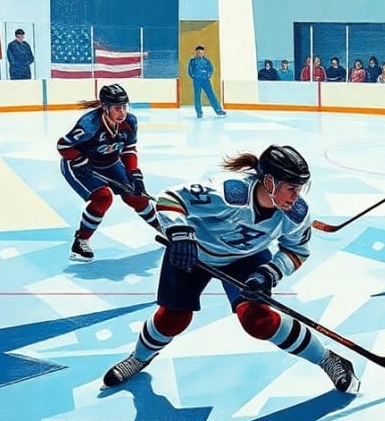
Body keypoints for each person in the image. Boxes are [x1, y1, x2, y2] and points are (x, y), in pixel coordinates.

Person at [102, 144, 360, 394]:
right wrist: (179, 232)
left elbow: (296, 251)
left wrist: (270, 272)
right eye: (291, 188)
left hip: (246, 258)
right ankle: (139, 358)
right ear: (269, 182)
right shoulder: (229, 191)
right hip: (193, 251)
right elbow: (170, 198)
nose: (296, 196)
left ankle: (327, 358)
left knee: (258, 321)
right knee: (173, 318)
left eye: (300, 189)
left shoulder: (296, 213)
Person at [57, 84, 161, 262]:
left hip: (110, 162)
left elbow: (128, 148)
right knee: (103, 198)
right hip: (79, 165)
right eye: (117, 108)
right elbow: (63, 146)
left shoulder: (130, 122)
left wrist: (134, 172)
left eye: (124, 107)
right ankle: (80, 242)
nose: (122, 112)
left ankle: (163, 229)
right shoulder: (89, 124)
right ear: (105, 107)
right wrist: (79, 159)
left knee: (135, 196)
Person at [187, 45, 226, 117]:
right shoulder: (192, 61)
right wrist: (194, 76)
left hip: (205, 80)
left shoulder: (207, 61)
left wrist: (207, 75)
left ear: (204, 53)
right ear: (196, 53)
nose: (200, 54)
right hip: (197, 80)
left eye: (202, 53)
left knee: (211, 95)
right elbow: (190, 70)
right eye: (199, 53)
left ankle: (218, 110)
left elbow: (211, 69)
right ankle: (199, 112)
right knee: (197, 96)